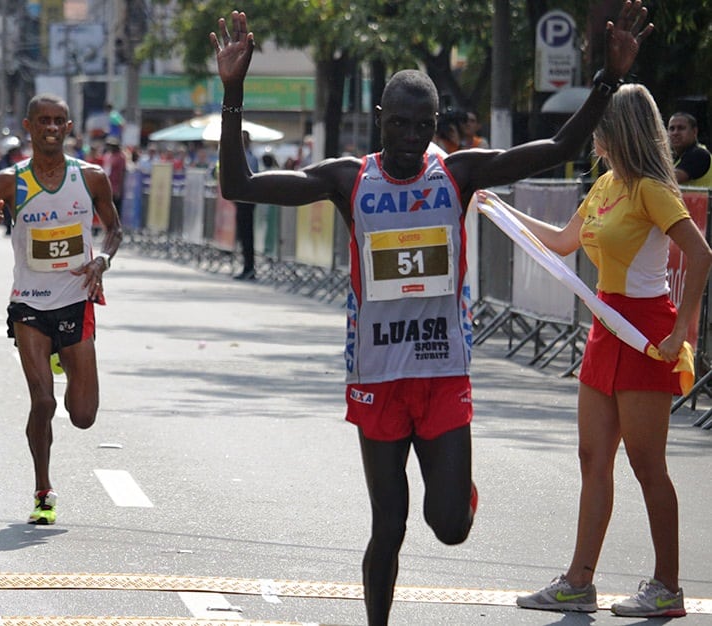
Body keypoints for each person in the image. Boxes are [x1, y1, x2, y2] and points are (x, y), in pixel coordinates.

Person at [211, 5, 651, 624]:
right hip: (376, 379)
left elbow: (560, 146)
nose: (412, 137)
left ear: (436, 125)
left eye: (423, 125)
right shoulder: (348, 180)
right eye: (400, 124)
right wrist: (234, 93)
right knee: (386, 525)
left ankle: (458, 493)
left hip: (443, 376)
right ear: (379, 121)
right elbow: (239, 185)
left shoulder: (458, 173)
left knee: (448, 528)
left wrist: (606, 78)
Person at [511, 84, 712, 618]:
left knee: (647, 465)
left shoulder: (651, 188)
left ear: (619, 127)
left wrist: (681, 335)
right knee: (592, 460)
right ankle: (579, 581)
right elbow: (561, 241)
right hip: (605, 326)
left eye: (599, 121)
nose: (591, 130)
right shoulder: (604, 183)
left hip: (645, 331)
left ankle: (667, 586)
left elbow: (700, 252)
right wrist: (501, 211)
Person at [0, 94, 122, 525]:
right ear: (28, 126)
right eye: (43, 121)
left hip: (76, 301)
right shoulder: (7, 182)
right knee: (43, 402)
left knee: (84, 416)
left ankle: (65, 356)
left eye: (59, 121)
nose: (51, 128)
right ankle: (43, 489)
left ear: (68, 127)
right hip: (29, 305)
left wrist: (103, 259)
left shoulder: (90, 178)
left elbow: (115, 232)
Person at [233, 130, 259, 281]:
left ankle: (249, 268)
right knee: (243, 236)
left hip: (247, 201)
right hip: (241, 201)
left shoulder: (250, 158)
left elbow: (251, 179)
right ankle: (247, 267)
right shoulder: (240, 157)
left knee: (247, 236)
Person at [667, 111, 712, 187]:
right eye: (672, 129)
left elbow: (668, 179)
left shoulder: (699, 154)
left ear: (694, 131)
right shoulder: (678, 158)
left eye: (681, 128)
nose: (675, 133)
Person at [102, 136, 127, 216]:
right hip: (107, 185)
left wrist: (119, 189)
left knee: (115, 208)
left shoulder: (120, 157)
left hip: (115, 186)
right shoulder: (107, 156)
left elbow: (121, 173)